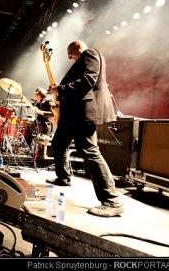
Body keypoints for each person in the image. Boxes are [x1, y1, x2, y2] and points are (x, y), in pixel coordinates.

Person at [47, 40, 122, 217]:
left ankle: (112, 200)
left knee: (89, 150)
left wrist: (61, 89)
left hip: (83, 112)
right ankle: (63, 177)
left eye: (70, 55)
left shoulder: (90, 54)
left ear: (76, 49)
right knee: (58, 143)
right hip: (73, 114)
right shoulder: (85, 58)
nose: (70, 59)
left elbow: (89, 79)